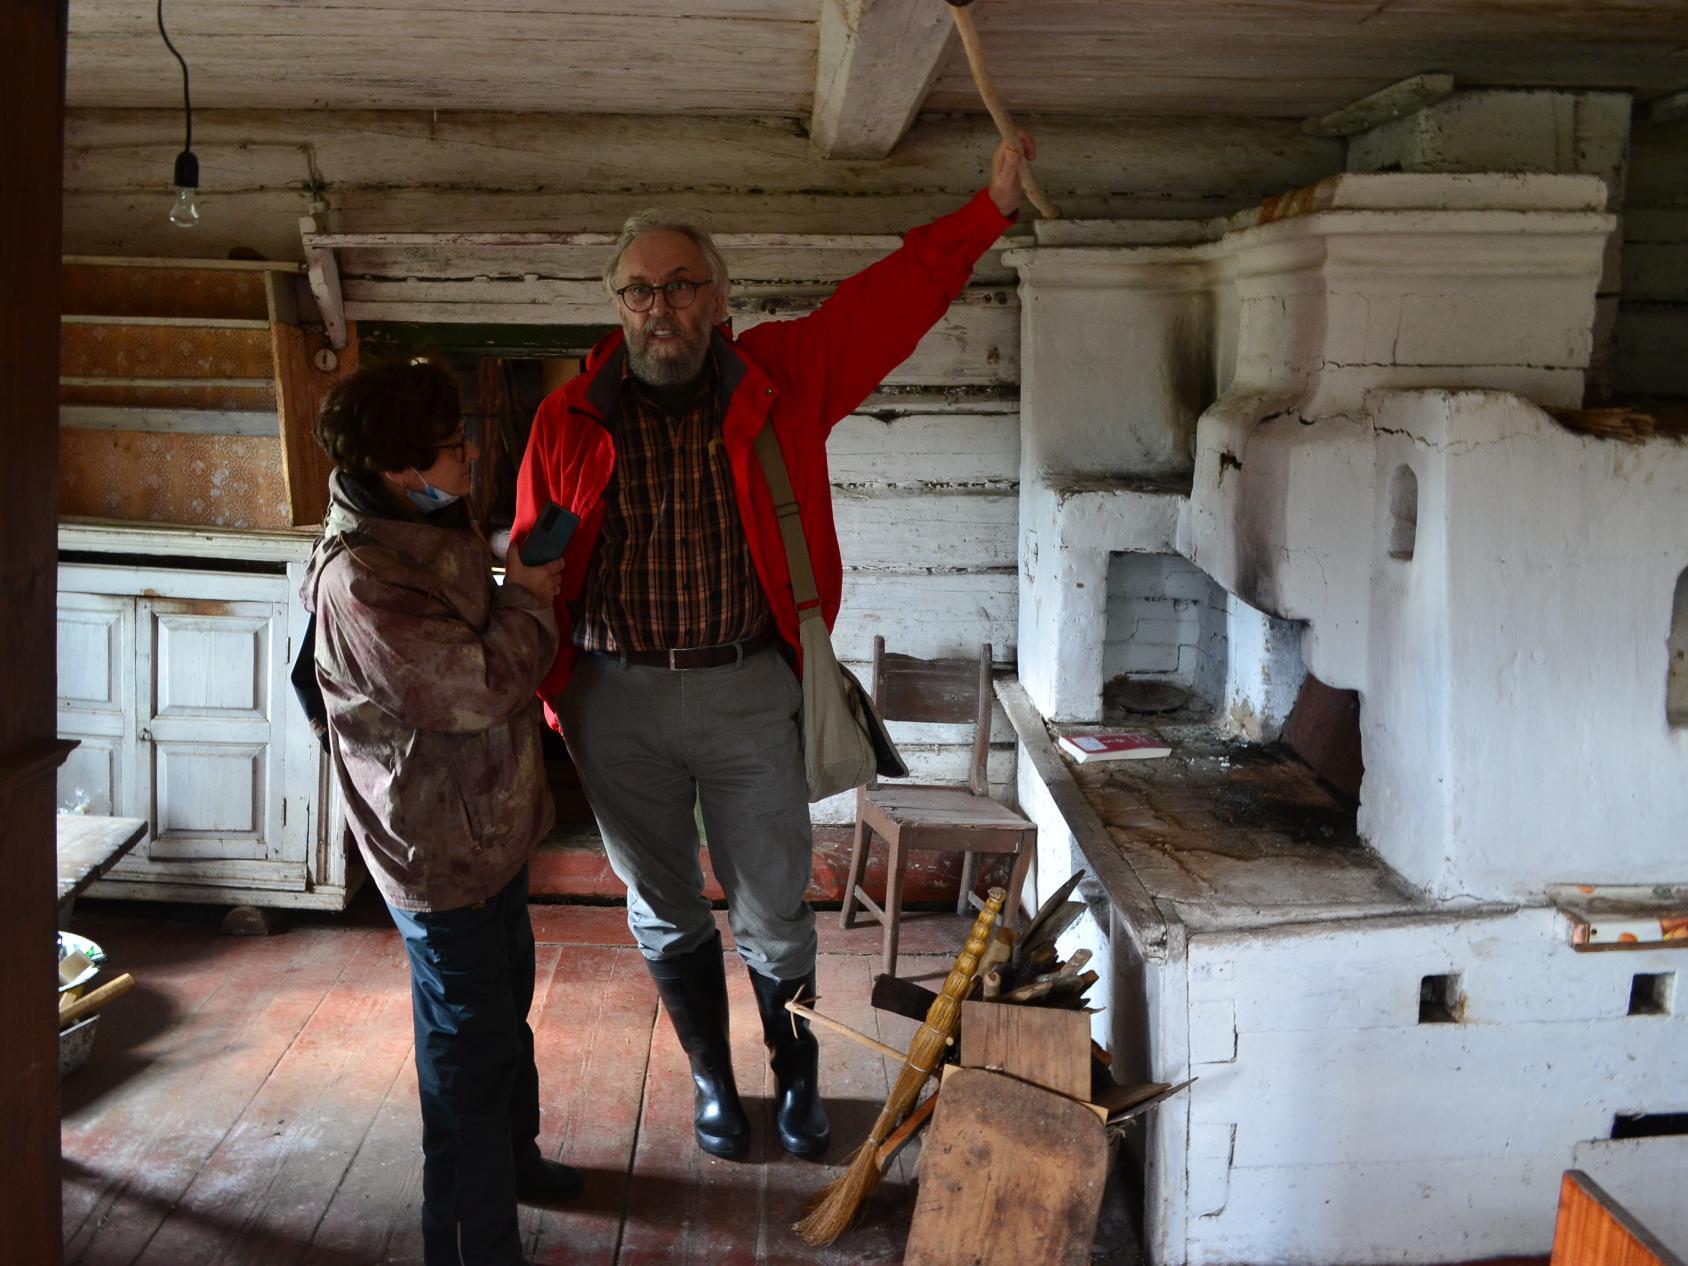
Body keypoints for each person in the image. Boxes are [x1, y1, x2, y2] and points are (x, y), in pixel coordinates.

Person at [512, 134, 1037, 1162]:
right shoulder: (565, 420)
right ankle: (714, 1082)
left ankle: (794, 1079)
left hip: (747, 689)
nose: (659, 308)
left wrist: (986, 211)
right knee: (662, 906)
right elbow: (533, 571)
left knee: (773, 905)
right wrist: (545, 697)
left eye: (680, 286)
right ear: (617, 304)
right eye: (637, 291)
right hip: (613, 700)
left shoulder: (780, 377)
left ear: (718, 297)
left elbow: (887, 303)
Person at [302, 359, 576, 1266]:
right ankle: (468, 1242)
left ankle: (516, 1163)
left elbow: (466, 612)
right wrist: (528, 598)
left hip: (487, 825)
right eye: (454, 447)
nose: (471, 456)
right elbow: (479, 684)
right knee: (470, 1051)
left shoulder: (422, 518)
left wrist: (506, 571)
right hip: (435, 844)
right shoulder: (362, 577)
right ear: (397, 466)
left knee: (498, 1016)